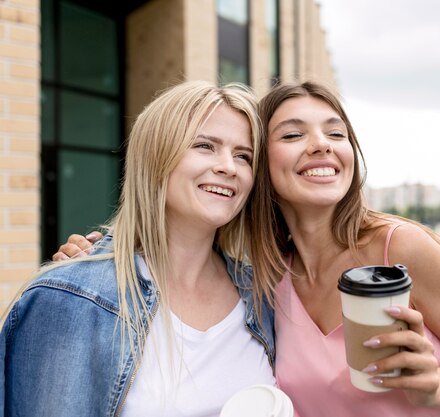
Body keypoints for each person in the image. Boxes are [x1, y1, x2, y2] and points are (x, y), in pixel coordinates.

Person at [53, 81, 440, 416]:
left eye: (336, 133)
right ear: (262, 169)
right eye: (293, 134)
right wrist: (97, 260)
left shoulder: (400, 250)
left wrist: (437, 386)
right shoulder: (261, 276)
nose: (321, 145)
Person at [0, 80, 275, 416]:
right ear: (156, 156)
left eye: (243, 156)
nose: (228, 167)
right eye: (205, 145)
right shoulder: (70, 298)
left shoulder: (263, 299)